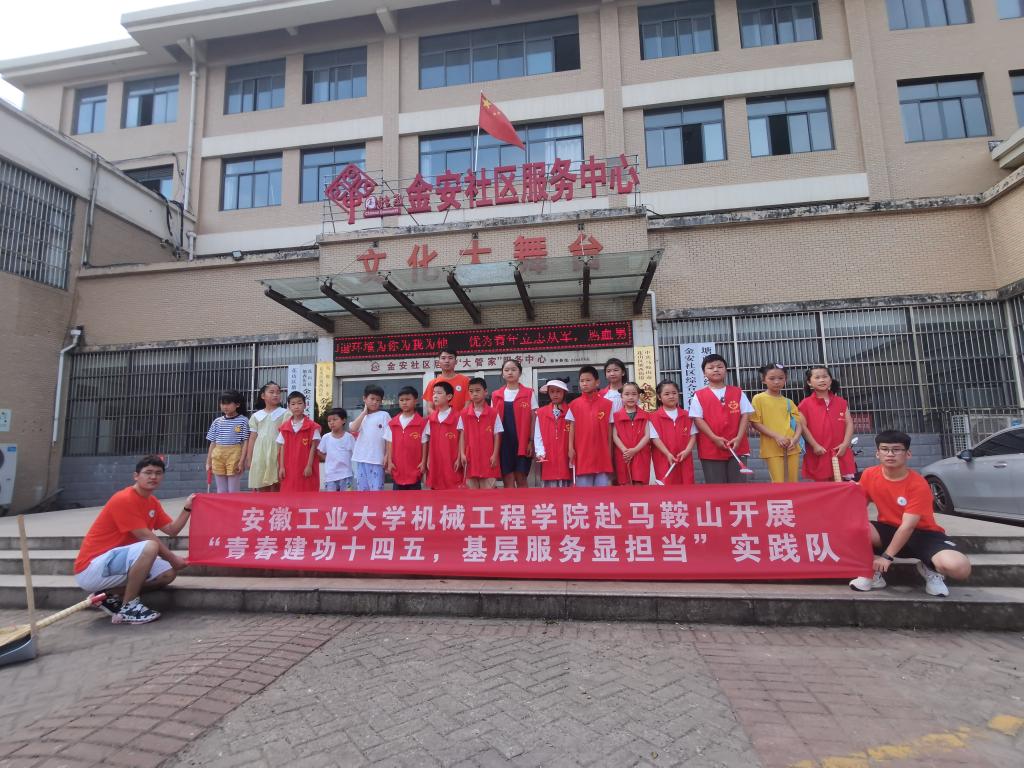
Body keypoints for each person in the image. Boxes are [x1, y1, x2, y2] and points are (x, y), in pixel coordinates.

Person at [850, 430, 971, 596]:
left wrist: (887, 556)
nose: (890, 454)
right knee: (851, 527)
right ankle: (871, 572)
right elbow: (858, 508)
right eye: (885, 449)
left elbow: (908, 526)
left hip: (924, 535)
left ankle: (930, 568)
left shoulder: (918, 484)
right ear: (878, 453)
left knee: (959, 568)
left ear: (908, 454)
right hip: (889, 530)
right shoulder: (869, 474)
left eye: (896, 449)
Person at [73, 455, 190, 625]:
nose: (153, 477)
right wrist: (173, 558)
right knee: (150, 546)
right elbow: (145, 536)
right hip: (92, 567)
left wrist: (188, 508)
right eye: (148, 472)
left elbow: (172, 530)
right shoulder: (124, 499)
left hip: (118, 563)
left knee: (167, 574)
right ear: (136, 476)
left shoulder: (151, 501)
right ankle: (129, 607)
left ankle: (108, 596)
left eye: (158, 473)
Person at [689, 354, 753, 484]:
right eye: (711, 367)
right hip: (711, 448)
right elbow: (698, 419)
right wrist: (714, 438)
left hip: (737, 445)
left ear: (726, 370)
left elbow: (745, 415)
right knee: (716, 487)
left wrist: (739, 437)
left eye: (719, 366)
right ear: (704, 373)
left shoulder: (738, 392)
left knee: (738, 486)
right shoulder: (699, 395)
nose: (716, 370)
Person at [799, 365, 855, 482]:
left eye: (825, 376)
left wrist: (845, 444)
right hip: (819, 451)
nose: (822, 380)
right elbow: (802, 427)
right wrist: (815, 445)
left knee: (840, 484)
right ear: (809, 383)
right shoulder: (805, 404)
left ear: (830, 380)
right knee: (823, 486)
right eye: (817, 377)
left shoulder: (841, 402)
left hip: (839, 450)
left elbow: (849, 423)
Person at [750, 363, 803, 483]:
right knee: (778, 482)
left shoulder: (788, 402)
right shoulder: (758, 398)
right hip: (772, 446)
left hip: (791, 446)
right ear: (764, 380)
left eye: (780, 378)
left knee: (793, 482)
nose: (776, 381)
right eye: (772, 378)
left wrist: (795, 440)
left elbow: (798, 424)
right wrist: (777, 437)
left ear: (785, 380)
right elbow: (755, 422)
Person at [491, 359, 537, 488]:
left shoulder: (528, 393)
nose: (510, 372)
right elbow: (492, 421)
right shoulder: (496, 395)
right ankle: (510, 502)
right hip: (503, 443)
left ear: (520, 373)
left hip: (522, 442)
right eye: (506, 370)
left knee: (521, 477)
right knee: (508, 479)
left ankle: (525, 502)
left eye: (513, 369)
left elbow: (533, 418)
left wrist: (531, 441)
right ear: (502, 374)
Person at [567, 365, 614, 486]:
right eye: (582, 381)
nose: (584, 384)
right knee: (584, 494)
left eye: (588, 380)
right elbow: (572, 427)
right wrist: (570, 448)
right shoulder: (574, 404)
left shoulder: (607, 404)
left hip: (602, 455)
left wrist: (609, 452)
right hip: (582, 455)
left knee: (602, 494)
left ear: (597, 382)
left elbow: (609, 430)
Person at [649, 379, 696, 485]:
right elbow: (654, 438)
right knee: (667, 488)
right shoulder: (653, 417)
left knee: (687, 486)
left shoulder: (687, 415)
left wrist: (687, 450)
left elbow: (693, 435)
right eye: (667, 394)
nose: (671, 396)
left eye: (674, 393)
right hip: (663, 458)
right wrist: (667, 453)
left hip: (684, 458)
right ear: (659, 397)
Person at [459, 377, 503, 489]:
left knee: (489, 493)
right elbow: (462, 435)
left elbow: (497, 435)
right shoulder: (463, 413)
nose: (474, 394)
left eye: (478, 390)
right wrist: (462, 454)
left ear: (485, 391)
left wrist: (495, 455)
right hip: (470, 459)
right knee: (471, 494)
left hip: (488, 458)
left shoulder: (493, 413)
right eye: (471, 391)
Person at [204, 389, 249, 493]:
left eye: (228, 403)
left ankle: (233, 504)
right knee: (221, 490)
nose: (225, 406)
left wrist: (242, 461)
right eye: (222, 403)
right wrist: (208, 462)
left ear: (237, 404)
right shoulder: (217, 421)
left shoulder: (243, 420)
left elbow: (245, 442)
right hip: (218, 455)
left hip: (234, 455)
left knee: (233, 490)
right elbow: (213, 443)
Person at [245, 381, 287, 491]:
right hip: (260, 452)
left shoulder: (285, 413)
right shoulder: (256, 416)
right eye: (271, 392)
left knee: (277, 483)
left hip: (278, 450)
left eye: (278, 392)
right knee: (261, 483)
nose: (275, 395)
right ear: (263, 396)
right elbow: (252, 438)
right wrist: (249, 458)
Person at [384, 387, 427, 491]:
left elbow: (424, 443)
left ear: (415, 401)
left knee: (415, 498)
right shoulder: (393, 423)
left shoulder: (422, 423)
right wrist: (389, 461)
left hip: (415, 468)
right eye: (401, 400)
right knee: (398, 498)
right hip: (397, 468)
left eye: (407, 399)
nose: (404, 402)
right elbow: (389, 443)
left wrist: (423, 461)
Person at [276, 391, 321, 492]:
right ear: (289, 407)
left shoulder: (312, 426)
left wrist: (309, 466)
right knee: (289, 494)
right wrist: (281, 467)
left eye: (299, 403)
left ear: (305, 405)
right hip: (288, 468)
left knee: (307, 493)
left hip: (305, 467)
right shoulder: (284, 428)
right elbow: (282, 447)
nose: (296, 407)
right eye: (293, 404)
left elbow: (313, 448)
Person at [350, 384, 390, 491]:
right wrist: (364, 413)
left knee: (376, 490)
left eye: (378, 400)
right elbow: (353, 428)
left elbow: (389, 438)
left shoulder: (384, 415)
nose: (375, 402)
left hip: (377, 459)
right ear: (364, 398)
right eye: (372, 399)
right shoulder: (362, 416)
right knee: (362, 491)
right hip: (361, 458)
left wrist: (387, 455)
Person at [533, 379, 572, 488]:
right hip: (549, 455)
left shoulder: (571, 411)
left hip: (566, 454)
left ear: (564, 393)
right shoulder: (541, 412)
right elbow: (538, 435)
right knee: (550, 490)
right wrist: (540, 452)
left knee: (567, 488)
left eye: (558, 391)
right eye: (552, 391)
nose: (555, 394)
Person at [612, 381, 652, 485]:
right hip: (623, 453)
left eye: (634, 394)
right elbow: (615, 436)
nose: (630, 397)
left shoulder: (645, 415)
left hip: (640, 452)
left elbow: (647, 435)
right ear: (621, 396)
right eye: (627, 394)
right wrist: (625, 450)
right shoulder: (616, 416)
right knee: (625, 483)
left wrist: (635, 450)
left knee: (640, 483)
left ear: (638, 396)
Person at [425, 381, 462, 489]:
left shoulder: (458, 417)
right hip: (435, 461)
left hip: (452, 460)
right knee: (435, 490)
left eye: (439, 393)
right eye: (434, 393)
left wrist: (459, 458)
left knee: (453, 488)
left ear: (449, 396)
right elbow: (429, 440)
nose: (435, 396)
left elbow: (462, 439)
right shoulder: (431, 419)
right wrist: (428, 459)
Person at [318, 408, 355, 491]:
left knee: (346, 497)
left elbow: (356, 453)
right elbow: (320, 452)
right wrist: (329, 458)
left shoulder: (349, 437)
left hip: (346, 474)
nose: (331, 422)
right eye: (329, 421)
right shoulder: (326, 437)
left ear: (343, 420)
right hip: (331, 475)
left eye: (335, 419)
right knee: (331, 498)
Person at [424, 348, 471, 414]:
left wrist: (456, 418)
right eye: (443, 358)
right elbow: (429, 408)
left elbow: (468, 405)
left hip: (460, 419)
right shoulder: (432, 383)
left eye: (450, 358)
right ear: (438, 362)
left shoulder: (466, 381)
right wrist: (440, 418)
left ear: (456, 361)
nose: (447, 361)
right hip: (439, 420)